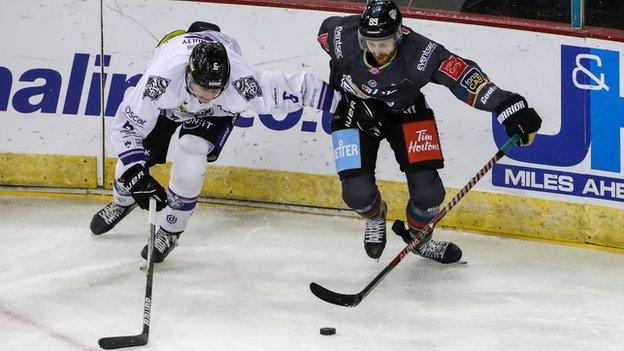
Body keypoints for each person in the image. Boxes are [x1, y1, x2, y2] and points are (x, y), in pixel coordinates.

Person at [89, 21, 354, 263]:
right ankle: (123, 200)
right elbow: (126, 128)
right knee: (133, 161)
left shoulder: (241, 83)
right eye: (204, 88)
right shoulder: (160, 80)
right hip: (169, 107)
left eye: (216, 88)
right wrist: (137, 176)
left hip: (218, 113)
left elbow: (300, 87)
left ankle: (171, 228)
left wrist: (345, 104)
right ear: (189, 75)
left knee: (191, 153)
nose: (209, 95)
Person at [317, 1, 542, 263]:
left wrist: (507, 105)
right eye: (371, 43)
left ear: (399, 35)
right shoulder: (339, 35)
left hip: (407, 112)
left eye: (385, 44)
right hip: (355, 112)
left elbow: (464, 77)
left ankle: (419, 239)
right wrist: (343, 91)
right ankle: (375, 217)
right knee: (357, 195)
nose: (377, 51)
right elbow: (326, 38)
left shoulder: (421, 54)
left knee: (429, 193)